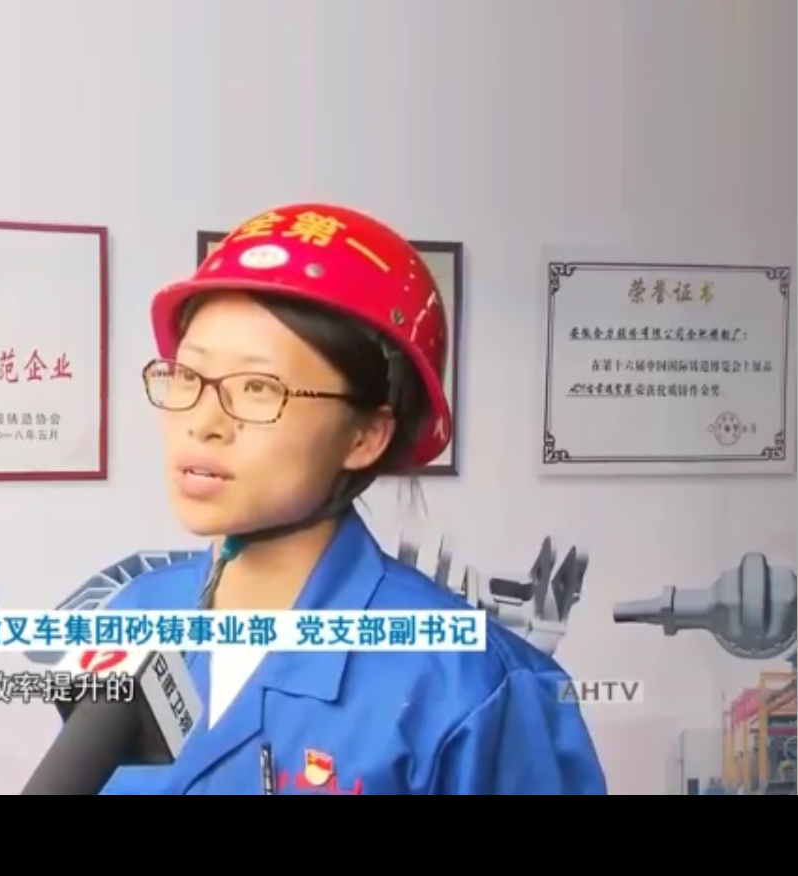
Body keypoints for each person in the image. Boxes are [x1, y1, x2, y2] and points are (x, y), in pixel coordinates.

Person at [100, 203, 607, 795]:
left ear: (366, 436)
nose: (203, 422)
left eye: (258, 388)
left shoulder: (472, 686)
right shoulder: (133, 616)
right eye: (188, 377)